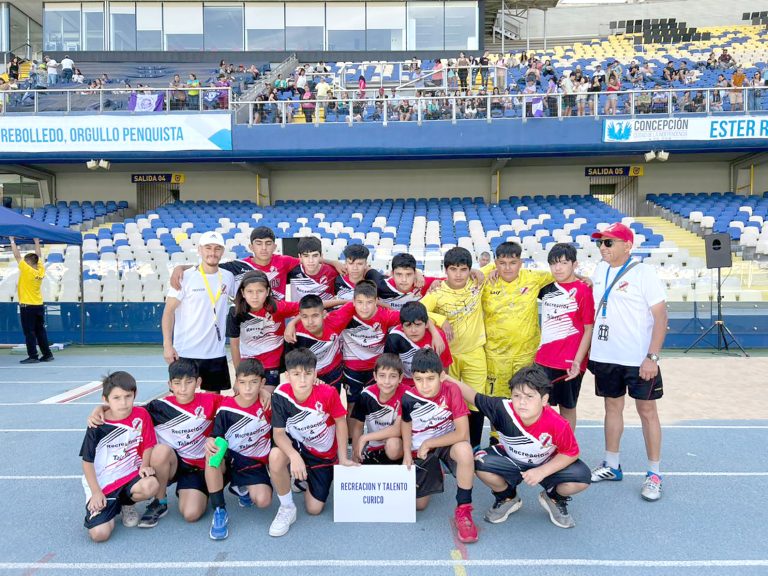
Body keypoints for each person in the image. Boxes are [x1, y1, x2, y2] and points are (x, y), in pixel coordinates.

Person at [587, 223, 668, 502]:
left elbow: (661, 318)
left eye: (608, 243)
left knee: (647, 412)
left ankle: (654, 473)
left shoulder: (644, 273)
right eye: (600, 243)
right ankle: (612, 465)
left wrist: (651, 357)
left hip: (638, 360)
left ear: (627, 246)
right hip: (606, 356)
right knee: (612, 407)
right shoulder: (599, 271)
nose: (602, 248)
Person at [454, 366, 591, 529]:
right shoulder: (503, 408)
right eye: (517, 396)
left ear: (544, 399)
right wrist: (444, 377)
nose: (522, 402)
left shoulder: (558, 423)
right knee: (479, 462)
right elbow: (472, 395)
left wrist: (542, 471)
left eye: (529, 396)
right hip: (511, 460)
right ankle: (507, 497)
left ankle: (554, 498)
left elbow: (571, 453)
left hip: (545, 462)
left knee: (582, 477)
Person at [268, 349, 356, 536]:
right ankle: (287, 507)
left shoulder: (328, 392)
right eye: (296, 374)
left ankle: (304, 477)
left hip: (323, 454)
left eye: (308, 374)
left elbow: (341, 422)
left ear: (315, 374)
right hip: (298, 447)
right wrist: (293, 456)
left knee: (314, 509)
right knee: (276, 456)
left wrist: (343, 458)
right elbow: (278, 433)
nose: (302, 380)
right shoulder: (280, 395)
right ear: (287, 375)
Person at [401, 349, 478, 543]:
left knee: (465, 451)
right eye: (419, 379)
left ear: (441, 376)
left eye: (430, 378)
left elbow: (462, 433)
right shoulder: (408, 398)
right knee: (419, 505)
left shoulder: (452, 391)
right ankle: (435, 469)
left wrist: (430, 442)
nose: (425, 385)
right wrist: (406, 454)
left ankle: (464, 509)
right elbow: (406, 423)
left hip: (445, 443)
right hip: (421, 450)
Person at [420, 247, 487, 448]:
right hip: (448, 357)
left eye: (463, 269)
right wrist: (440, 320)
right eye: (453, 269)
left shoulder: (477, 283)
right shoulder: (438, 291)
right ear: (445, 270)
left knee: (476, 401)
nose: (458, 274)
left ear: (470, 270)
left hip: (475, 352)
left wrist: (479, 271)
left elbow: (501, 266)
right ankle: (449, 446)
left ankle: (474, 447)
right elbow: (417, 310)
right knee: (449, 403)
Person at [80, 372, 159, 542]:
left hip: (129, 475)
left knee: (151, 484)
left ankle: (127, 504)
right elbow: (87, 462)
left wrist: (145, 465)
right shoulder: (97, 425)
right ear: (105, 399)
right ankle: (110, 505)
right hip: (104, 484)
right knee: (99, 535)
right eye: (116, 398)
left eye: (127, 396)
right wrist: (95, 492)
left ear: (134, 395)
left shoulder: (141, 415)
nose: (123, 403)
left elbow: (148, 444)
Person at [204, 359, 273, 540]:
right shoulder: (225, 408)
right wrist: (210, 441)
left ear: (262, 383)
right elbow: (215, 436)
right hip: (231, 461)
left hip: (254, 463)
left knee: (264, 501)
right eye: (243, 383)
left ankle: (241, 488)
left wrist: (266, 393)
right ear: (236, 383)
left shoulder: (269, 405)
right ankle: (219, 510)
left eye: (254, 382)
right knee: (211, 456)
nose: (248, 388)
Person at [162, 231, 236, 392]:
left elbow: (240, 301)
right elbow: (168, 313)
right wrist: (167, 344)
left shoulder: (228, 277)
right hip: (186, 352)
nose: (212, 252)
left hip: (215, 353)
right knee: (182, 400)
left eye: (217, 248)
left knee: (213, 401)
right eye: (208, 248)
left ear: (222, 251)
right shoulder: (185, 277)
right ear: (200, 250)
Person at [534, 243, 595, 431]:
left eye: (563, 263)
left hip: (570, 363)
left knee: (567, 408)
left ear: (574, 264)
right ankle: (544, 449)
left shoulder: (584, 290)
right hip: (543, 360)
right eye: (553, 264)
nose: (558, 268)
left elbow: (588, 329)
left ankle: (567, 449)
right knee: (540, 407)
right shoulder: (545, 288)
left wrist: (577, 361)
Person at [482, 242, 552, 401]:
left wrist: (582, 278)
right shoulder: (485, 282)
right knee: (498, 403)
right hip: (496, 357)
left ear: (520, 263)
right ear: (495, 264)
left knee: (525, 400)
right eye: (502, 263)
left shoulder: (533, 277)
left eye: (513, 263)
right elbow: (463, 277)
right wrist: (487, 270)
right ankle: (497, 428)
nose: (507, 268)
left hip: (525, 357)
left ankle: (522, 427)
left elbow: (560, 273)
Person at [226, 271, 299, 390]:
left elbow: (309, 307)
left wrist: (292, 322)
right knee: (243, 395)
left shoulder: (277, 307)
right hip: (248, 363)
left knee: (267, 399)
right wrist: (239, 376)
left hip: (271, 364)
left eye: (260, 291)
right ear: (242, 293)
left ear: (268, 292)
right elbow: (234, 346)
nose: (255, 296)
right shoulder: (235, 312)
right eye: (250, 291)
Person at [350, 353, 407, 464]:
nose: (387, 381)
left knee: (393, 446)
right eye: (382, 375)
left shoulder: (406, 394)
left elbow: (397, 429)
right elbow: (358, 427)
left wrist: (365, 437)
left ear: (400, 378)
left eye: (393, 376)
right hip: (374, 446)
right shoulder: (366, 395)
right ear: (375, 376)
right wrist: (355, 452)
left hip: (398, 446)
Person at [284, 294, 348, 390]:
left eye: (315, 316)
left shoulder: (336, 320)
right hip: (307, 375)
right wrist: (309, 376)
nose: (310, 322)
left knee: (332, 402)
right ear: (300, 316)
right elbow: (290, 362)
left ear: (324, 314)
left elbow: (356, 303)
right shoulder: (293, 333)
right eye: (305, 317)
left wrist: (345, 301)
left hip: (333, 372)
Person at [384, 301, 452, 387]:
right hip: (403, 384)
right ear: (402, 326)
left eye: (418, 325)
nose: (413, 330)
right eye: (408, 325)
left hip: (430, 384)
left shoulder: (438, 338)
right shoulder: (394, 337)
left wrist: (442, 387)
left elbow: (444, 366)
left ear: (427, 324)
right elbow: (389, 368)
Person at [9, 237, 53, 364]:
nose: (23, 261)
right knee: (40, 331)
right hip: (38, 305)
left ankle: (33, 356)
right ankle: (47, 354)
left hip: (27, 306)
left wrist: (12, 241)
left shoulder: (27, 270)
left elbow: (16, 256)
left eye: (26, 260)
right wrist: (37, 242)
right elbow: (38, 256)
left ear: (29, 262)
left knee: (29, 332)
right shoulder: (40, 270)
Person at [287, 236, 339, 302]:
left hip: (326, 311)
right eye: (306, 256)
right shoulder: (293, 271)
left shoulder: (332, 271)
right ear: (300, 257)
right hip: (300, 311)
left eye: (315, 256)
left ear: (321, 256)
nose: (311, 260)